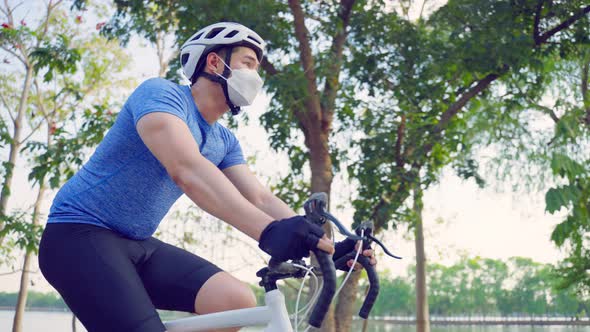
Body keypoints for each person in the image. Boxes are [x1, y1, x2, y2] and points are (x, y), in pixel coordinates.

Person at [38, 22, 375, 332]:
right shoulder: (160, 95)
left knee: (235, 301)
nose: (255, 76)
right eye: (248, 63)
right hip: (77, 236)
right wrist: (268, 231)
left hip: (136, 243)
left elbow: (259, 198)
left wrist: (326, 248)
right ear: (215, 63)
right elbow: (186, 169)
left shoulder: (223, 141)